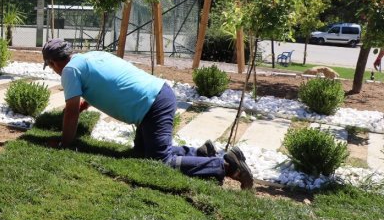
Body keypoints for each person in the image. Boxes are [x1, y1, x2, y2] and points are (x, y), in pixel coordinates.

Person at [41, 38, 254, 190]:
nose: (54, 71)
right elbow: (107, 81)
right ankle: (200, 154)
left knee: (160, 160)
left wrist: (64, 143)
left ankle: (227, 166)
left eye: (50, 67)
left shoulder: (69, 70)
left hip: (152, 105)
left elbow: (70, 113)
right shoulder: (92, 56)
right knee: (142, 153)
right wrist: (86, 104)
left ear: (53, 63)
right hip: (157, 96)